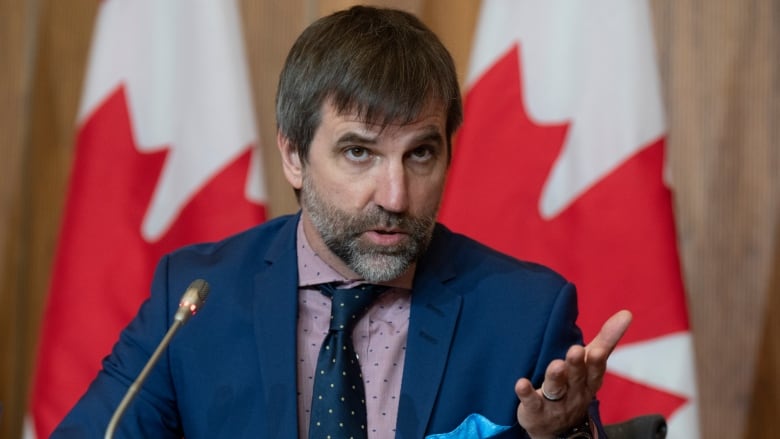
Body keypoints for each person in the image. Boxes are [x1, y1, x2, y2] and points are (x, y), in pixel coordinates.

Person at [53, 5, 631, 439]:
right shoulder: (197, 300)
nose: (396, 195)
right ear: (293, 156)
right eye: (359, 153)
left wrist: (562, 437)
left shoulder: (524, 315)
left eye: (421, 154)